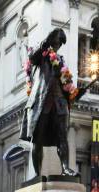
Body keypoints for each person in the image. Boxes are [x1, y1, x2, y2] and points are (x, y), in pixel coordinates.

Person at [20, 28, 97, 176]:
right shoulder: (41, 56)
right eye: (55, 42)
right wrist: (45, 42)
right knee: (38, 140)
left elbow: (67, 85)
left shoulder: (60, 61)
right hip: (41, 102)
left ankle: (66, 169)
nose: (57, 46)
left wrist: (77, 93)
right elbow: (32, 58)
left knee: (63, 137)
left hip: (59, 103)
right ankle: (37, 175)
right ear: (50, 41)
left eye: (59, 44)